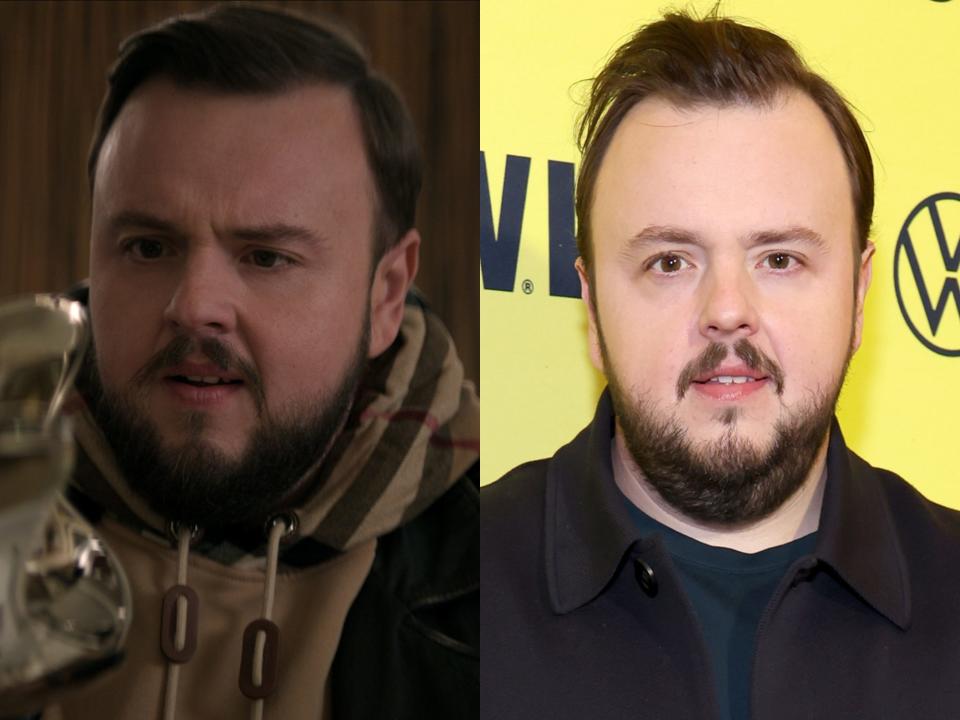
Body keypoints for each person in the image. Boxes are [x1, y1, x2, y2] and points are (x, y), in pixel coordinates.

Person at [481, 10, 960, 720]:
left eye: (780, 259)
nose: (728, 309)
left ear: (859, 298)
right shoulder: (446, 601)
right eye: (670, 262)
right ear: (591, 305)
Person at [39, 4, 478, 719]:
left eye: (267, 257)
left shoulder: (511, 583)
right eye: (148, 247)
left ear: (385, 295)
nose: (195, 305)